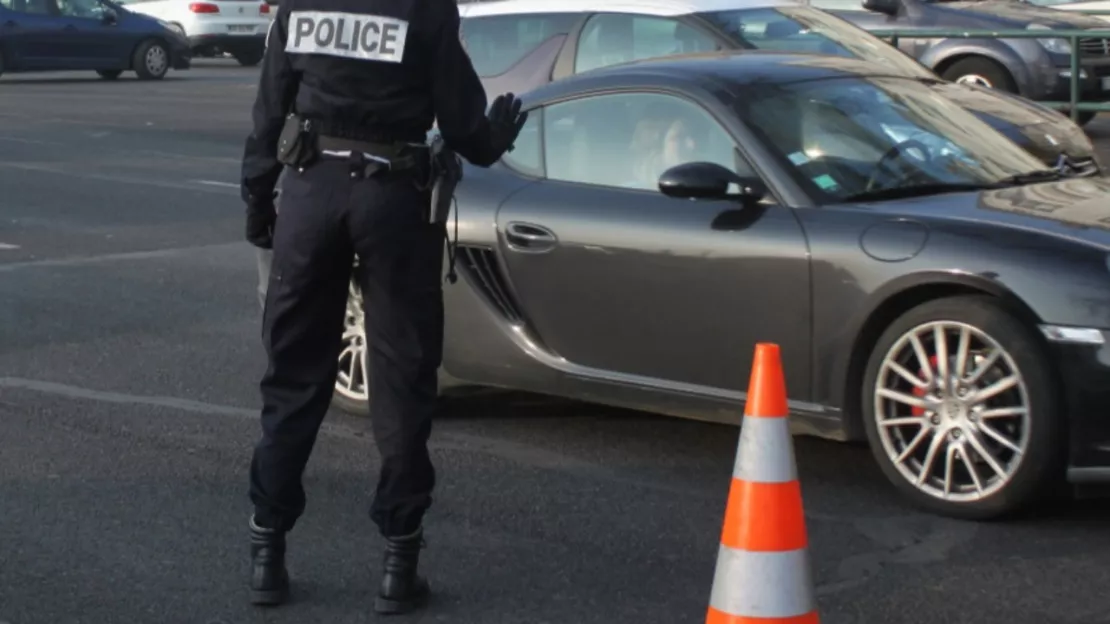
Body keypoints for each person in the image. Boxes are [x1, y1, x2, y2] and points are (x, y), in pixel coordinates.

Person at [239, 0, 527, 613]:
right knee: (401, 380)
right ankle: (399, 564)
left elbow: (269, 111)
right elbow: (461, 122)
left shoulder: (300, 6)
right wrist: (494, 135)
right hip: (394, 200)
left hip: (312, 193)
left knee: (293, 377)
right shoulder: (424, 8)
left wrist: (258, 201)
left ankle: (268, 554)